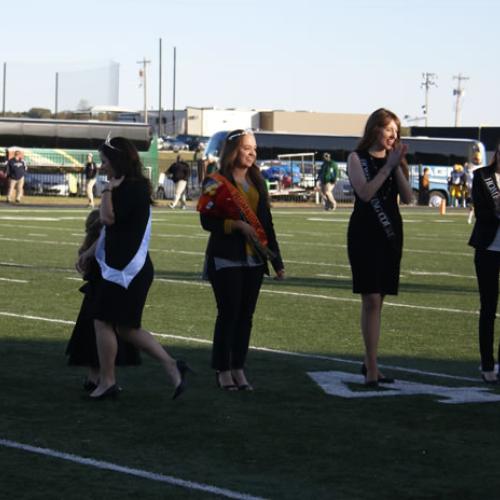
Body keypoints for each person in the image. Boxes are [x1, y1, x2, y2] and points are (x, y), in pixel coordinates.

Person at [77, 136, 190, 400]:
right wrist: (89, 253)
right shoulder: (129, 185)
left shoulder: (131, 187)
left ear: (117, 161)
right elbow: (111, 232)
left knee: (103, 321)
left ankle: (107, 381)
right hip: (124, 267)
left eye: (105, 161)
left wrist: (106, 190)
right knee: (127, 328)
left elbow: (106, 219)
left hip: (127, 270)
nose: (103, 167)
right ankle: (172, 365)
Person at [197, 129, 285, 391]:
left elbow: (267, 224)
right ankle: (223, 370)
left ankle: (239, 367)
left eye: (254, 149)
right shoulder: (215, 181)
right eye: (247, 148)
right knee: (229, 314)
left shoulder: (258, 181)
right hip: (226, 257)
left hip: (255, 260)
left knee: (246, 316)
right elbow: (206, 221)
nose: (252, 154)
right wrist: (234, 225)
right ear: (234, 151)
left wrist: (277, 261)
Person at [346, 108, 413, 387]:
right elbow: (365, 193)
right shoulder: (356, 158)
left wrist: (396, 165)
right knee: (371, 299)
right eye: (389, 130)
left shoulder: (394, 161)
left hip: (390, 234)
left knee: (379, 301)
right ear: (375, 129)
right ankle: (372, 367)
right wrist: (387, 167)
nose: (393, 136)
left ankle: (369, 361)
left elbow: (408, 197)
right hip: (365, 233)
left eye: (396, 132)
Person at [67, 209, 141, 391]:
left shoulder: (85, 249)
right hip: (103, 300)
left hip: (90, 302)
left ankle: (93, 378)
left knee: (90, 341)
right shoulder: (103, 250)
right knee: (102, 340)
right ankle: (102, 379)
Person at [468, 143, 500, 384]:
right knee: (488, 308)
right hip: (488, 249)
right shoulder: (482, 176)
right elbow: (481, 211)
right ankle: (487, 363)